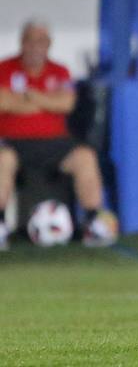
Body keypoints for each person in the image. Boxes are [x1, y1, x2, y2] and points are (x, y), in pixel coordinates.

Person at [0, 21, 118, 250]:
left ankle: (93, 221)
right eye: (31, 40)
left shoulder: (59, 70)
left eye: (41, 41)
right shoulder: (5, 68)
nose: (36, 46)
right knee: (2, 160)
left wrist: (27, 97)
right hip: (14, 143)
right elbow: (3, 101)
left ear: (48, 45)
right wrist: (46, 100)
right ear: (22, 43)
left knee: (85, 156)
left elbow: (67, 103)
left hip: (55, 142)